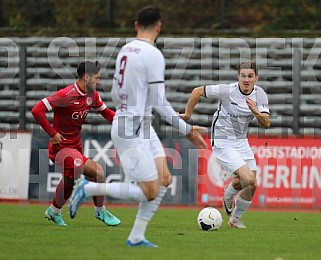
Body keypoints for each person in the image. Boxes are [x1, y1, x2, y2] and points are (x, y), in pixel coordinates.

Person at [68, 5, 207, 247]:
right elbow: (159, 101)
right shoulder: (153, 54)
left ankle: (136, 236)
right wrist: (187, 130)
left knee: (164, 179)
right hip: (130, 129)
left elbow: (113, 90)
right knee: (149, 191)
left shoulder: (125, 50)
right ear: (159, 27)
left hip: (139, 124)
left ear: (135, 25)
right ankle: (88, 188)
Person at [179, 61, 271, 228]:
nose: (246, 79)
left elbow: (266, 124)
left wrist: (256, 112)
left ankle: (235, 220)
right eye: (243, 76)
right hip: (222, 140)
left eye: (250, 76)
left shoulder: (260, 95)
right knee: (247, 178)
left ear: (256, 78)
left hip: (242, 141)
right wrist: (187, 114)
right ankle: (229, 196)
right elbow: (197, 91)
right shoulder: (228, 90)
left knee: (252, 184)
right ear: (238, 77)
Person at [31, 61, 121, 227]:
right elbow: (37, 110)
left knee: (87, 177)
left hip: (75, 148)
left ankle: (54, 211)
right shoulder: (66, 95)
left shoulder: (92, 95)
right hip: (60, 149)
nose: (99, 81)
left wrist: (128, 121)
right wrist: (53, 133)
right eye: (97, 78)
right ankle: (99, 210)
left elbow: (108, 114)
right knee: (90, 170)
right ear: (86, 77)